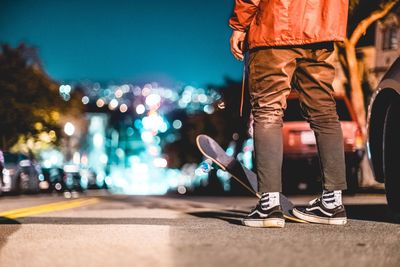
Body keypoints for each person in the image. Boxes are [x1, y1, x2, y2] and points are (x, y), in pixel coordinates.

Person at [229, 0, 349, 227]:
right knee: (324, 112)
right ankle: (333, 204)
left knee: (268, 111)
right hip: (321, 29)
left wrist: (239, 25)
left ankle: (269, 205)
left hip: (275, 26)